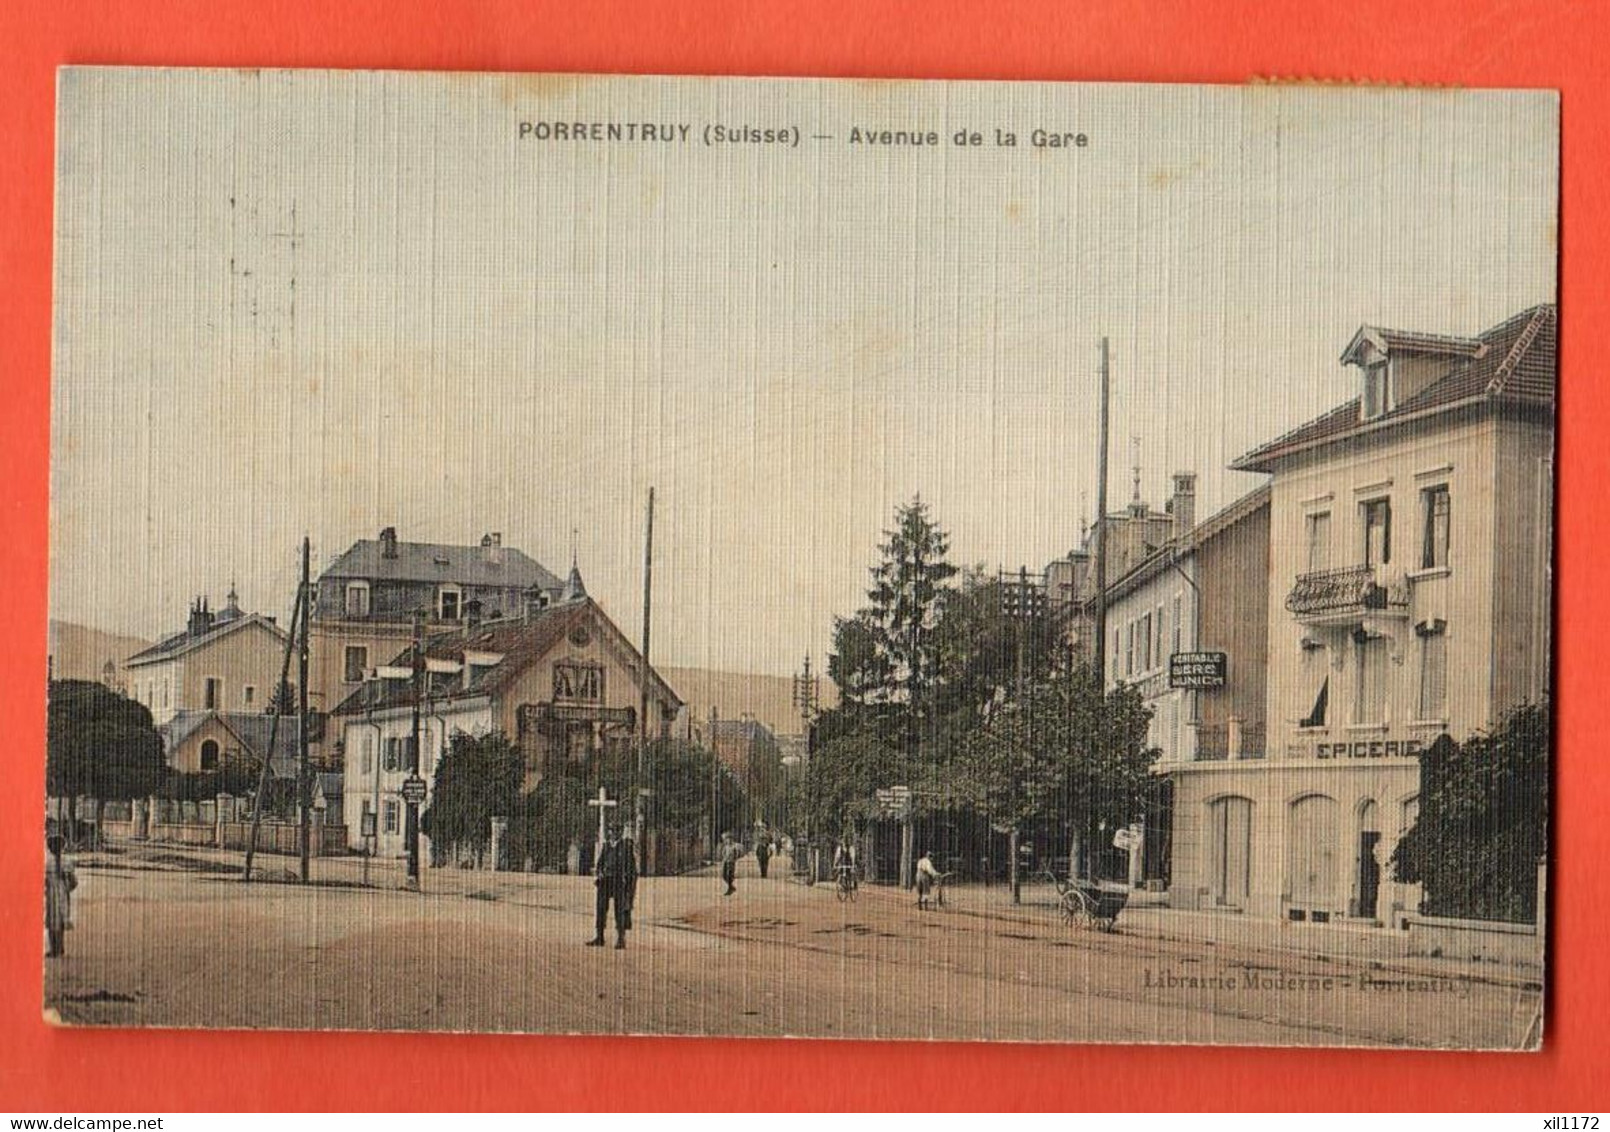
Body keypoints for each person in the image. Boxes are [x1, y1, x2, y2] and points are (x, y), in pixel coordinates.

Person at [588, 823, 636, 950]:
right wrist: (599, 874)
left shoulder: (626, 847)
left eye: (616, 831)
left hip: (619, 881)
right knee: (600, 909)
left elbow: (631, 868)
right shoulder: (606, 846)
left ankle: (621, 939)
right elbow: (599, 863)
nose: (613, 834)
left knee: (620, 910)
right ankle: (599, 937)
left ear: (620, 833)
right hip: (605, 882)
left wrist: (629, 887)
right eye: (611, 831)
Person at [45, 834, 78, 958]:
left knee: (51, 921)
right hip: (63, 893)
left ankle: (53, 948)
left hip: (51, 894)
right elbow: (73, 881)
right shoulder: (67, 862)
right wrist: (67, 889)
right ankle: (60, 947)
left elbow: (43, 881)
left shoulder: (47, 862)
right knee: (61, 920)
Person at [719, 831, 742, 896]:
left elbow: (738, 854)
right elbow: (723, 854)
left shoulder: (734, 846)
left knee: (729, 875)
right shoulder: (725, 847)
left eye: (728, 839)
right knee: (724, 875)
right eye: (726, 839)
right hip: (725, 861)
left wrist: (734, 859)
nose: (727, 840)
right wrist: (723, 860)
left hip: (731, 862)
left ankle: (730, 889)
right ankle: (731, 887)